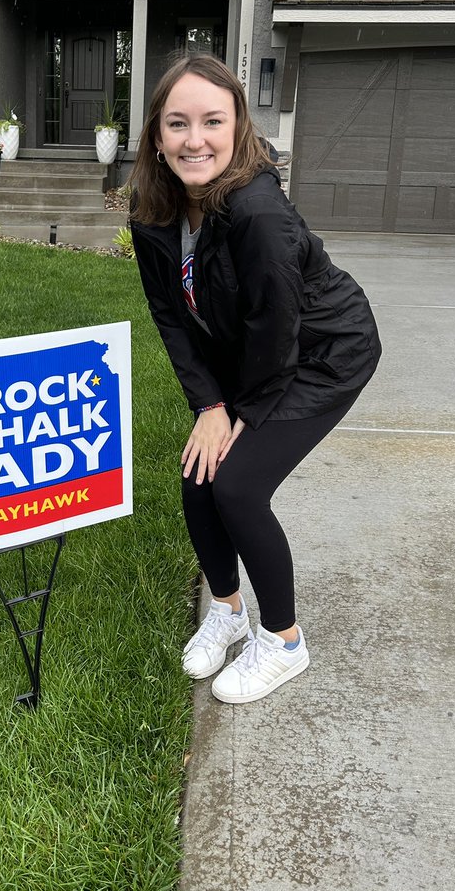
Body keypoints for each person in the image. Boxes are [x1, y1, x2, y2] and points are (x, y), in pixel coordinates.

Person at [129, 55, 381, 705]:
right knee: (198, 474)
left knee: (236, 486)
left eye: (213, 121)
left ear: (237, 125)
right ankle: (228, 610)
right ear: (156, 135)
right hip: (256, 351)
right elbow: (171, 317)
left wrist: (243, 412)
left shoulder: (258, 214)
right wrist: (208, 403)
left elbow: (278, 326)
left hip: (325, 351)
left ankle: (284, 641)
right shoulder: (153, 212)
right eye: (178, 123)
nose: (195, 139)